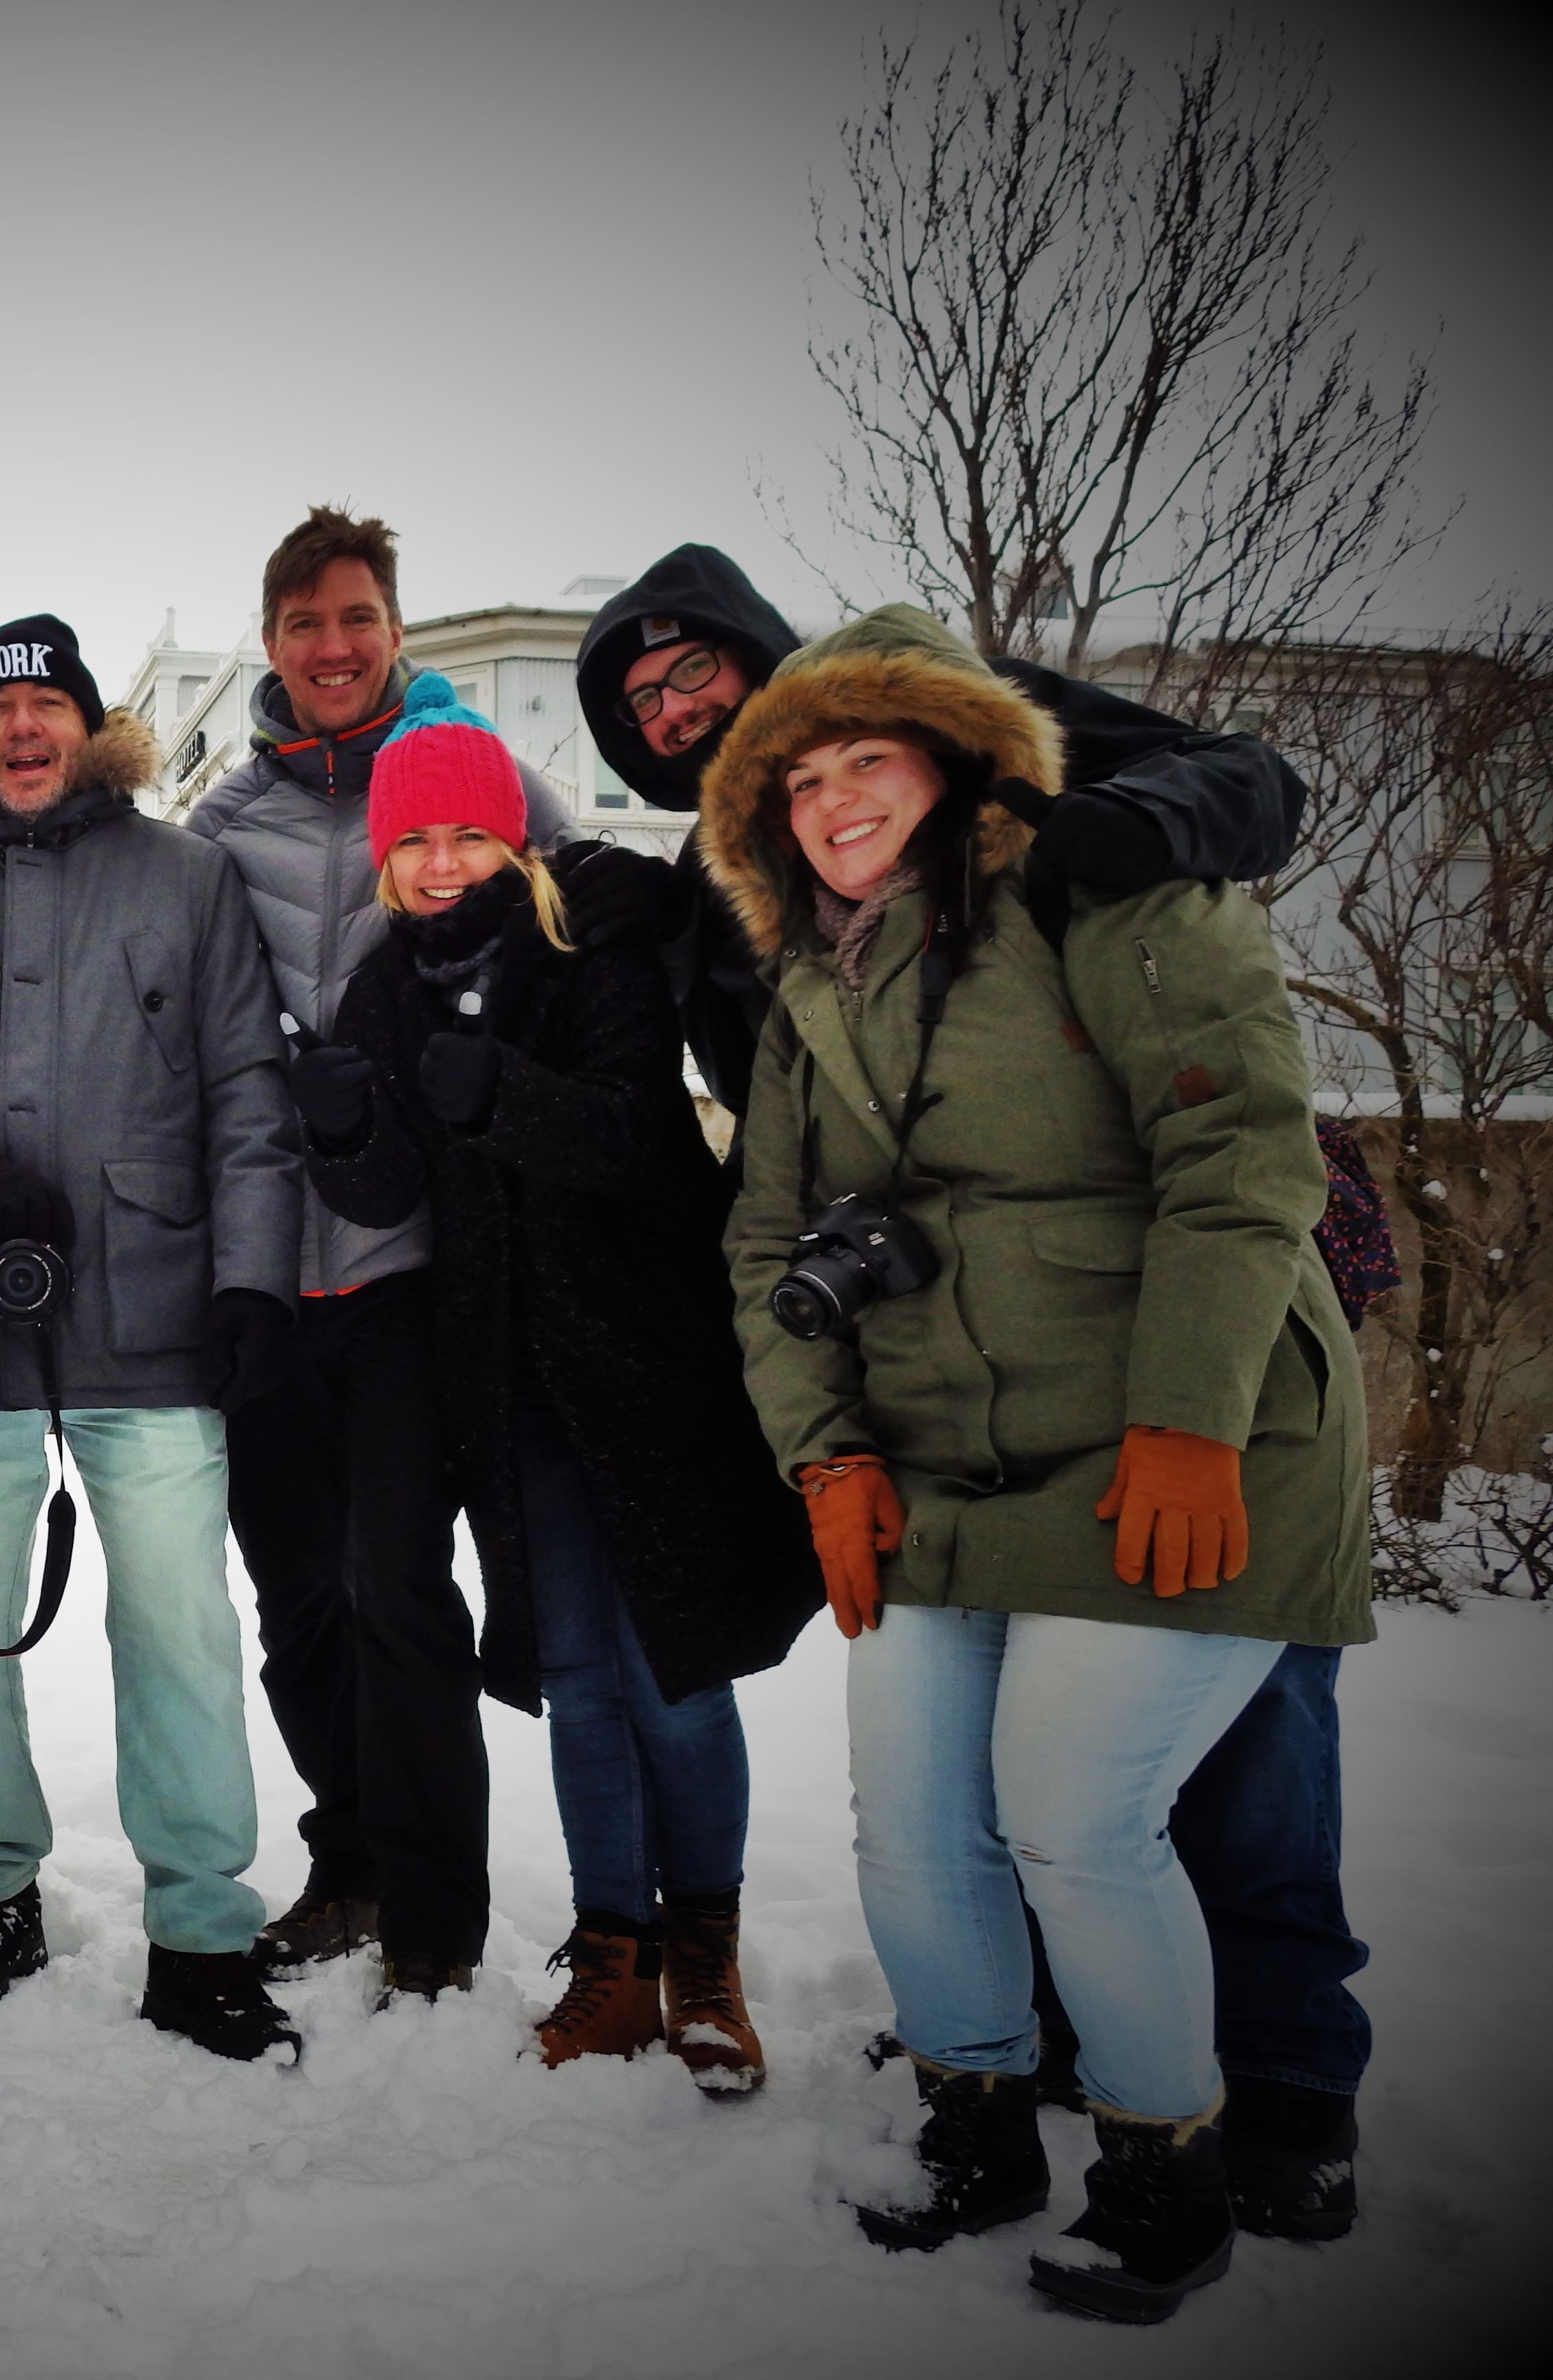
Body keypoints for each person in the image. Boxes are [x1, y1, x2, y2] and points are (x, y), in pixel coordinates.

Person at [579, 543, 1369, 2242]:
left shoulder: (1093, 857)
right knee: (928, 1811)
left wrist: (1190, 1415)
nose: (832, 790)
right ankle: (990, 2095)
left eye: (867, 755)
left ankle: (1261, 2107)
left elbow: (1239, 1155)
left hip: (1179, 1416)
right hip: (955, 1432)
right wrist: (826, 1455)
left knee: (1155, 1795)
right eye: (796, 776)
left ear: (950, 750)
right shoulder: (795, 956)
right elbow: (768, 1227)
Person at [288, 674, 822, 2068]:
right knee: (580, 1673)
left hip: (649, 1358)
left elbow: (636, 1137)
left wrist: (503, 1095)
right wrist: (343, 1129)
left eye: (464, 836)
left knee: (673, 1673)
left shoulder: (588, 946)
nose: (440, 863)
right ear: (385, 863)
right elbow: (396, 1180)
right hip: (508, 1381)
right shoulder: (382, 985)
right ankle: (613, 1950)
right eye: (412, 845)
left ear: (509, 841)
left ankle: (704, 1949)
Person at [0, 614, 305, 2063]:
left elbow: (251, 1098)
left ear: (90, 730)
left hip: (154, 1325)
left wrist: (254, 1287)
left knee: (180, 1634)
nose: (23, 731)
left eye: (48, 707)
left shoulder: (193, 879)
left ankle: (205, 1929)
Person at [187, 507, 627, 1992]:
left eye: (358, 617)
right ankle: (351, 1864)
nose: (333, 646)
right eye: (305, 623)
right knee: (297, 1599)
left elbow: (597, 925)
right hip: (257, 1265)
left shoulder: (482, 784)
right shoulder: (223, 821)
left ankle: (435, 1921)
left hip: (412, 1263)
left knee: (395, 1588)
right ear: (272, 644)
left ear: (394, 629)